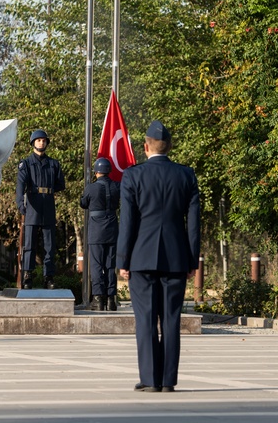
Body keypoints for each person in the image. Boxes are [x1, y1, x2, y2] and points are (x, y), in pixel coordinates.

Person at [117, 120, 200, 393]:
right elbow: (193, 224)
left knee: (146, 319)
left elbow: (128, 222)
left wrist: (123, 260)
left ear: (145, 147)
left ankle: (151, 379)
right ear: (170, 147)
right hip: (176, 258)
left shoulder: (133, 175)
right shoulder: (186, 175)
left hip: (141, 257)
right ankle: (167, 381)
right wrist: (192, 260)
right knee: (172, 319)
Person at [16, 129, 66, 289]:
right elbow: (20, 185)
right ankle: (28, 275)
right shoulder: (26, 163)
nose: (41, 143)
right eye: (38, 140)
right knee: (29, 244)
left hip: (48, 205)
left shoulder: (54, 164)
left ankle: (48, 277)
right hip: (32, 205)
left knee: (50, 245)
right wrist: (20, 203)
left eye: (44, 140)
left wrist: (47, 190)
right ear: (33, 143)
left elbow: (60, 184)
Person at [81, 157, 120, 311]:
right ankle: (111, 299)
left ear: (96, 172)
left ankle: (98, 299)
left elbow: (83, 203)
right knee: (110, 265)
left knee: (97, 265)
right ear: (109, 171)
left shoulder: (91, 188)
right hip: (112, 228)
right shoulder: (117, 186)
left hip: (96, 230)